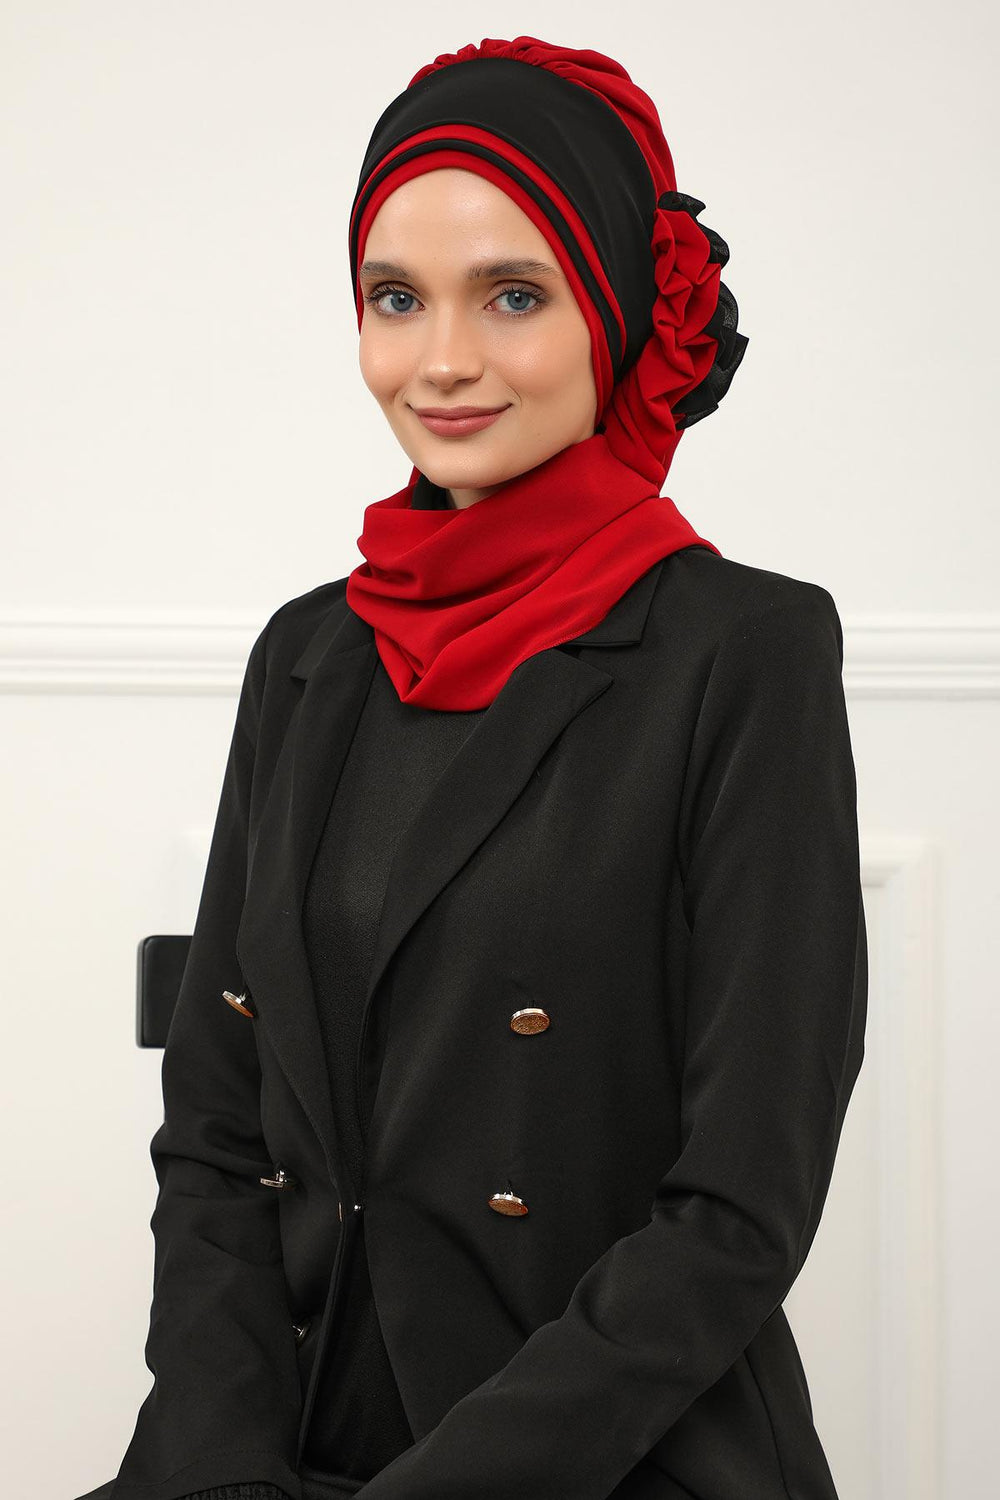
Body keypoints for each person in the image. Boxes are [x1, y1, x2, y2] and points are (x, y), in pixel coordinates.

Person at [77, 33, 867, 1500]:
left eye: (513, 295)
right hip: (282, 1442)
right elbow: (217, 1127)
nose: (440, 361)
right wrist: (223, 1462)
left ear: (616, 313)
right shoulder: (308, 651)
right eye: (396, 299)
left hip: (595, 1460)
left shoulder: (744, 652)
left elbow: (739, 1209)